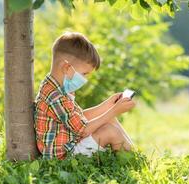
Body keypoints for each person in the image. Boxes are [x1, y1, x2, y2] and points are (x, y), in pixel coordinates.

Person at [34, 31, 136, 160]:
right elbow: (83, 130)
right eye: (84, 74)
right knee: (111, 131)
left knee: (110, 119)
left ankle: (134, 154)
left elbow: (78, 118)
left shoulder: (55, 86)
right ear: (66, 67)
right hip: (64, 157)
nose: (85, 79)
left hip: (69, 142)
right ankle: (132, 163)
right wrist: (115, 111)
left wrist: (108, 106)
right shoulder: (56, 97)